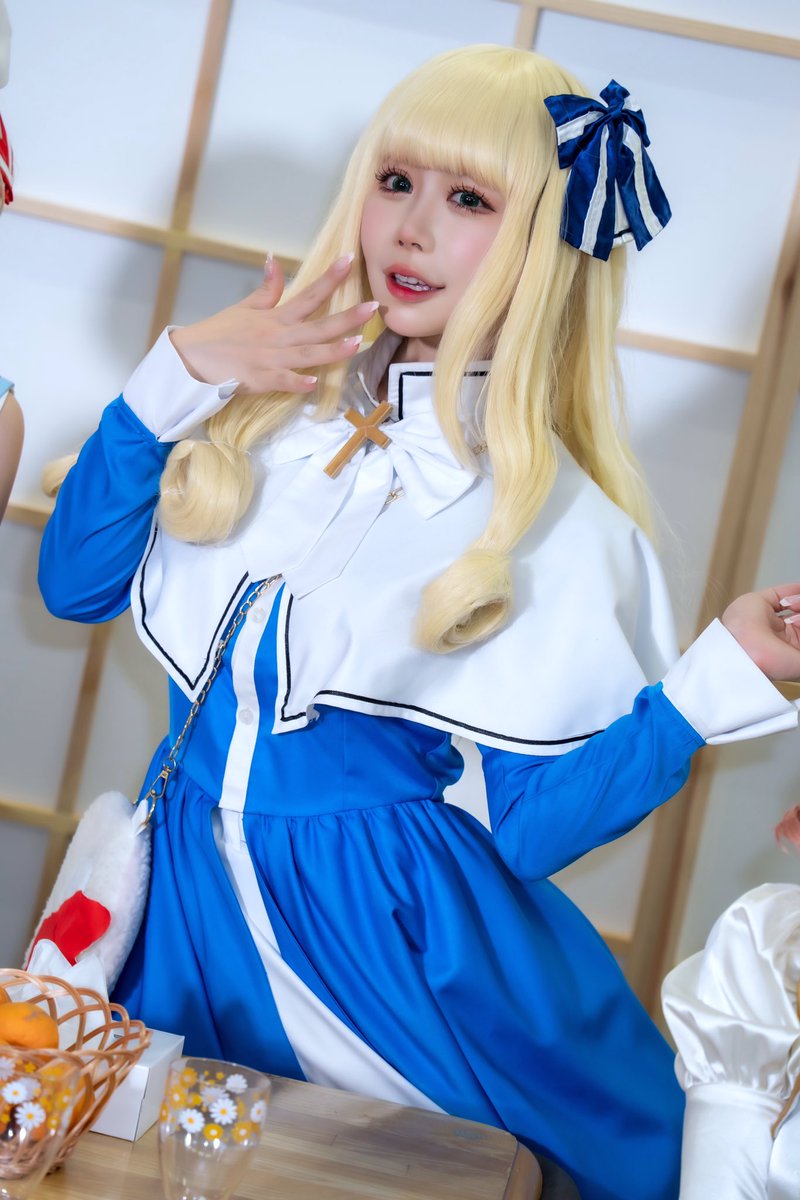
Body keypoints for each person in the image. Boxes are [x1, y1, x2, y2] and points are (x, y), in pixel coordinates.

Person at [37, 45, 800, 1200]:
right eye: (395, 182)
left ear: (539, 246)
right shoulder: (261, 428)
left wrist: (712, 682)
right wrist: (178, 372)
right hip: (187, 913)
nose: (411, 228)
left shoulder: (553, 522)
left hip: (383, 955)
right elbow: (75, 583)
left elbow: (526, 836)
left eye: (468, 200)